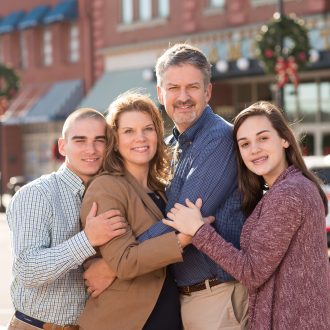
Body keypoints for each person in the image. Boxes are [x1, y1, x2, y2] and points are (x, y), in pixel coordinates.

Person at [164, 101, 330, 330]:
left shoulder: (289, 194)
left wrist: (199, 231)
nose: (254, 149)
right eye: (245, 144)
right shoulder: (290, 188)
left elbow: (251, 272)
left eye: (263, 138)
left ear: (284, 139)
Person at [116, 43, 247, 329]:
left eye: (193, 87)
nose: (183, 97)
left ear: (208, 92)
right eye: (173, 88)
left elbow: (181, 219)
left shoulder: (219, 139)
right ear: (160, 94)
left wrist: (119, 259)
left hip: (216, 297)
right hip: (182, 297)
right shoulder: (169, 145)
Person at [6, 108, 127, 330]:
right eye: (80, 140)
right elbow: (28, 270)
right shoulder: (38, 194)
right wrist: (87, 240)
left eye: (99, 140)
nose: (91, 150)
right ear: (63, 146)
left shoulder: (111, 193)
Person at [77, 92, 184, 330]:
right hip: (123, 319)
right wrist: (182, 239)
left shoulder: (162, 188)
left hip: (165, 311)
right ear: (115, 138)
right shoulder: (107, 188)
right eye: (129, 131)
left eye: (148, 128)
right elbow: (125, 261)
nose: (141, 138)